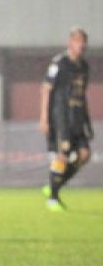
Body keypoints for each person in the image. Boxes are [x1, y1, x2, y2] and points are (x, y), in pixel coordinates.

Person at [41, 28, 92, 211]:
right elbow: (46, 89)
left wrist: (88, 123)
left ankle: (55, 186)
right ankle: (53, 199)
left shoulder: (84, 67)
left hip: (77, 117)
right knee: (62, 154)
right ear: (70, 43)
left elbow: (82, 95)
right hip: (60, 116)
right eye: (78, 41)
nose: (82, 45)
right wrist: (44, 118)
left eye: (84, 42)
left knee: (85, 155)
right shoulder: (59, 63)